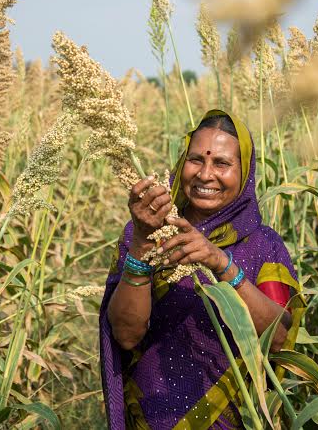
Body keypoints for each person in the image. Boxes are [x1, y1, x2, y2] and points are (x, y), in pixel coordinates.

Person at [100, 109, 302, 429]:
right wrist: (140, 243)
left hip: (237, 418)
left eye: (221, 163)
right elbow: (125, 336)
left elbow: (278, 338)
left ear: (245, 171)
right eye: (196, 160)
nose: (205, 174)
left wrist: (220, 262)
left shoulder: (265, 246)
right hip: (155, 418)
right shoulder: (147, 232)